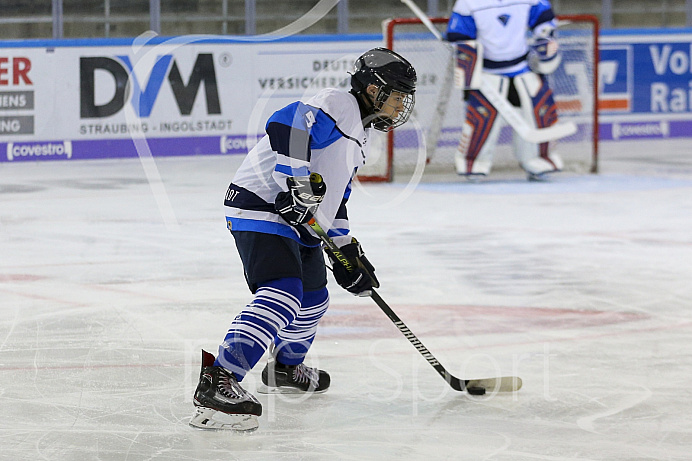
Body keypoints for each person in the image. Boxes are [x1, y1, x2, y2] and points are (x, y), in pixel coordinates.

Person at [189, 48, 417, 431]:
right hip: (261, 206)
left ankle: (284, 369)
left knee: (313, 298)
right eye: (396, 95)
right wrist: (296, 183)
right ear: (373, 90)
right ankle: (220, 378)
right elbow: (286, 125)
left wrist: (347, 252)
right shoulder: (338, 104)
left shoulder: (359, 139)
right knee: (283, 293)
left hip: (298, 218)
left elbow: (334, 203)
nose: (400, 105)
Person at [446, 0, 563, 180]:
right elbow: (460, 35)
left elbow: (544, 20)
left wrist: (545, 38)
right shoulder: (468, 3)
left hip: (523, 68)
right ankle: (473, 163)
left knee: (539, 113)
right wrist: (461, 47)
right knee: (481, 120)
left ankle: (540, 160)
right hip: (486, 73)